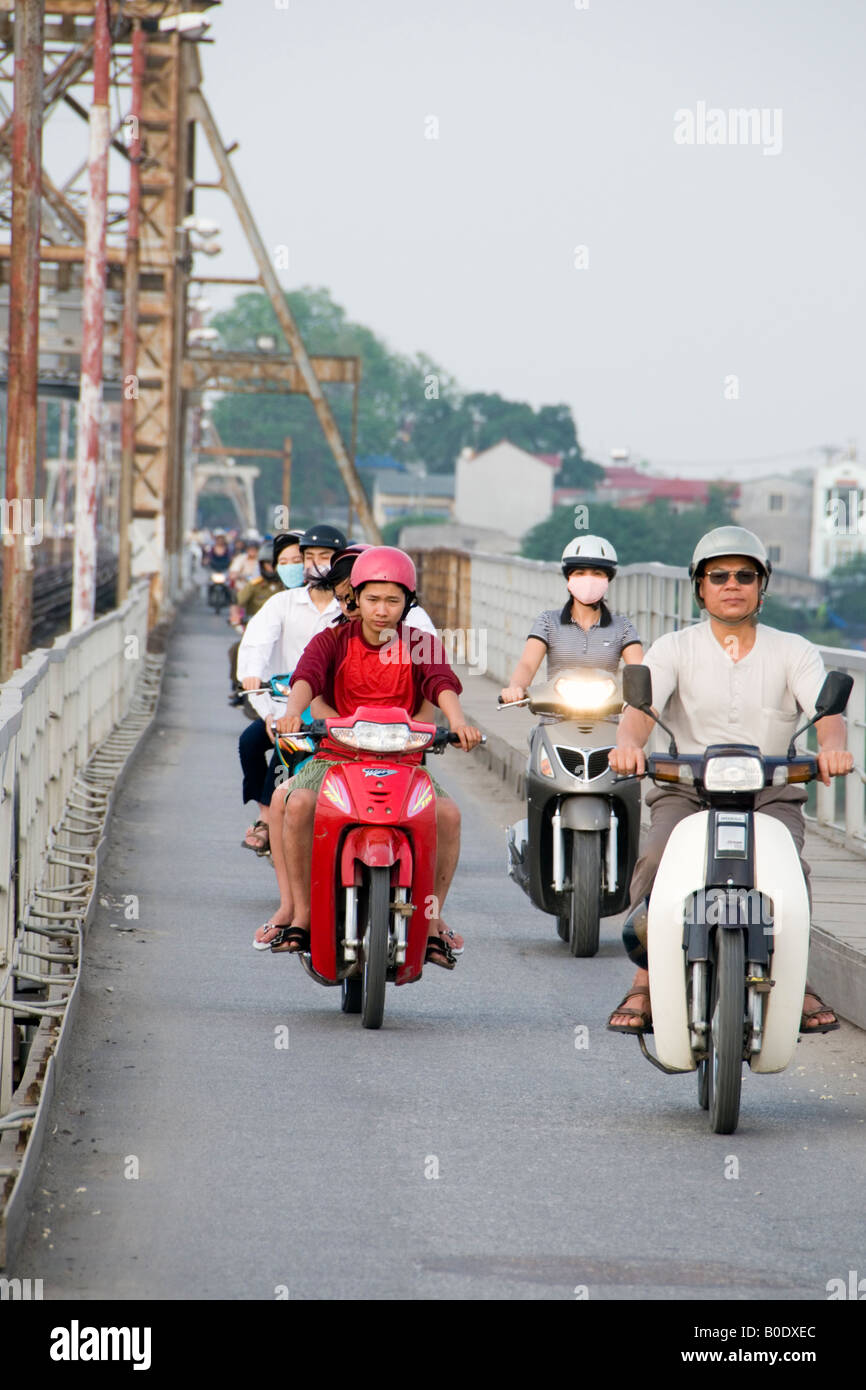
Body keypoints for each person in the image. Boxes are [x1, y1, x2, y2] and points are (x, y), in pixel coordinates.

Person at [606, 526, 853, 1036]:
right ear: (700, 587)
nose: (732, 584)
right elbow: (640, 707)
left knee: (791, 875)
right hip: (686, 789)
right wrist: (628, 744)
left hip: (770, 791)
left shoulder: (795, 650)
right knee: (656, 858)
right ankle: (645, 977)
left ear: (763, 585)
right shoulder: (673, 648)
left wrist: (832, 749)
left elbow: (824, 709)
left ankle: (794, 978)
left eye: (745, 575)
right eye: (718, 576)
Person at [262, 547, 482, 968]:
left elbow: (441, 683)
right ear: (355, 599)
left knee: (449, 815)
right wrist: (293, 714)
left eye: (393, 601)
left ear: (408, 603)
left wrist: (458, 723)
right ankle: (303, 916)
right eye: (373, 599)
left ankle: (432, 923)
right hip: (336, 758)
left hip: (404, 762)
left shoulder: (421, 644)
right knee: (298, 804)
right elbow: (307, 676)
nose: (382, 610)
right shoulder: (331, 640)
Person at [236, 527, 343, 856]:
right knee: (252, 741)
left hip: (336, 708)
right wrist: (256, 686)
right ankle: (266, 818)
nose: (313, 564)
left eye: (323, 557)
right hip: (286, 706)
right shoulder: (281, 602)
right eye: (308, 558)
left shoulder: (351, 605)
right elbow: (256, 645)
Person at [500, 535, 644, 706]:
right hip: (553, 717)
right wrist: (516, 687)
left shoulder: (622, 627)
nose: (589, 579)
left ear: (607, 580)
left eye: (597, 574)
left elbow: (639, 670)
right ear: (569, 578)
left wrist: (643, 693)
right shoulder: (548, 622)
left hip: (607, 719)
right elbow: (527, 665)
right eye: (580, 573)